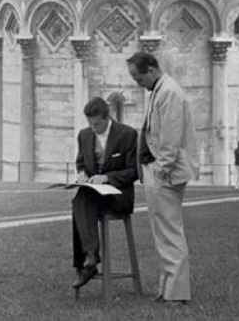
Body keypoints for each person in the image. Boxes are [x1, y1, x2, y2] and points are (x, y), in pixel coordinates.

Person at [128, 52, 197, 305]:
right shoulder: (160, 90)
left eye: (138, 78)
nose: (138, 83)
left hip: (165, 173)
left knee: (169, 232)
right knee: (163, 232)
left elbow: (170, 138)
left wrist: (160, 170)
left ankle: (176, 293)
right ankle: (168, 288)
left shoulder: (169, 93)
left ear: (152, 70)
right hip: (159, 171)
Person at [69, 97, 139, 290]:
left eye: (97, 123)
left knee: (80, 204)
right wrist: (82, 174)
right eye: (89, 123)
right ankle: (90, 259)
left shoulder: (128, 134)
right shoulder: (84, 135)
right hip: (93, 194)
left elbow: (134, 171)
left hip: (118, 195)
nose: (93, 127)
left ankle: (88, 261)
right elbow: (81, 163)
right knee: (80, 198)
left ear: (107, 118)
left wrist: (107, 178)